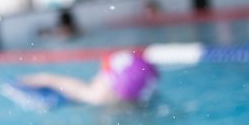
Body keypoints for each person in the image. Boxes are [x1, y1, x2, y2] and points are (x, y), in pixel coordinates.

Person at [15, 50, 160, 106]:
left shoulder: (98, 96)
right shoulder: (143, 99)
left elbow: (84, 92)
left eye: (103, 72)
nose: (97, 75)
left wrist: (44, 79)